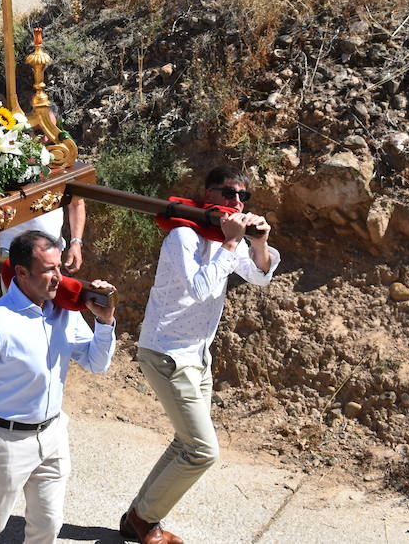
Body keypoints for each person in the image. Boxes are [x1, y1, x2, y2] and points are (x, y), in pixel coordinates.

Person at [121, 167, 280, 544]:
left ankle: (137, 518)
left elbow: (259, 276)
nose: (237, 203)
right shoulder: (183, 235)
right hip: (167, 352)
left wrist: (257, 244)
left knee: (185, 442)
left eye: (243, 197)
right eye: (228, 193)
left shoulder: (227, 237)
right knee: (202, 451)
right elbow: (198, 288)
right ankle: (145, 520)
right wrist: (229, 243)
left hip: (197, 354)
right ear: (207, 194)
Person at [0, 231, 117, 544]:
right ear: (21, 272)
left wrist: (104, 323)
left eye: (60, 268)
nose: (58, 278)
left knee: (48, 526)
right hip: (2, 443)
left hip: (52, 436)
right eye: (49, 270)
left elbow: (96, 363)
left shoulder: (63, 311)